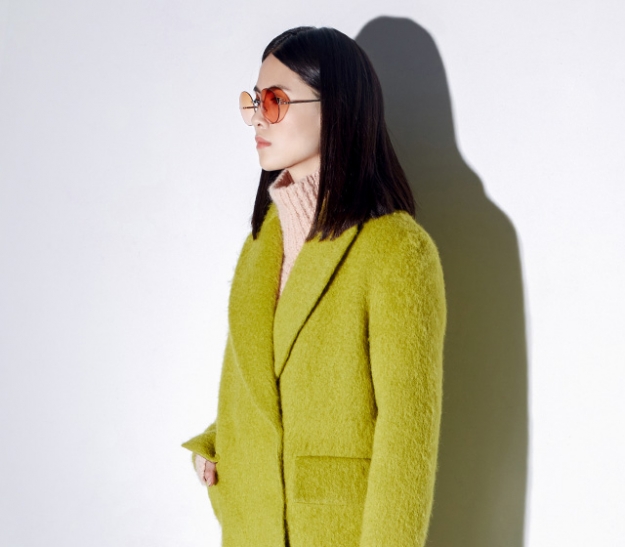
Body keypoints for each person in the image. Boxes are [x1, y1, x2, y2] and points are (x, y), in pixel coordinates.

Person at [181, 26, 447, 547]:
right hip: (252, 528)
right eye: (254, 100)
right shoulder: (261, 243)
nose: (258, 117)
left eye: (276, 100)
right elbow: (264, 381)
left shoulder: (396, 250)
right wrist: (218, 442)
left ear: (337, 109)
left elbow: (407, 437)